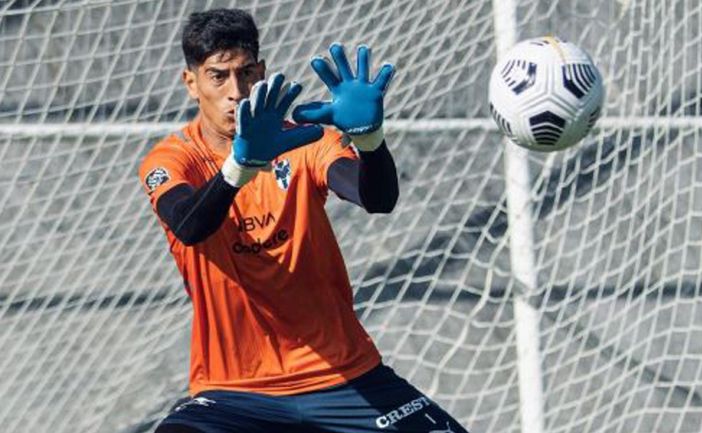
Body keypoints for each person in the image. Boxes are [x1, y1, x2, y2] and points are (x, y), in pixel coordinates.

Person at [139, 8, 468, 433]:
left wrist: (370, 142)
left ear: (262, 72)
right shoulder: (171, 159)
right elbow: (189, 225)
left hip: (345, 377)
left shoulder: (304, 142)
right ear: (192, 83)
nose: (235, 91)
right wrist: (242, 165)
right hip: (232, 394)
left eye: (245, 74)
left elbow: (377, 197)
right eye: (217, 76)